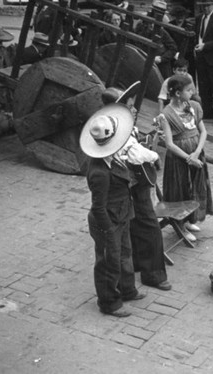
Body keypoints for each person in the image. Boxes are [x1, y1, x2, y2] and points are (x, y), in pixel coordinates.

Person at [101, 83, 172, 291]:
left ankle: (140, 264)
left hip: (128, 180)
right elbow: (134, 153)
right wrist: (154, 154)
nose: (134, 109)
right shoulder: (115, 128)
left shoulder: (118, 124)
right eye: (130, 106)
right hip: (129, 180)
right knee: (149, 225)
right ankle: (154, 274)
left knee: (136, 223)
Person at [80, 103, 146, 318]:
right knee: (108, 262)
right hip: (107, 221)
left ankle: (128, 289)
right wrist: (108, 231)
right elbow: (98, 207)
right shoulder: (99, 172)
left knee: (126, 255)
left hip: (122, 213)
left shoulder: (111, 158)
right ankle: (108, 302)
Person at [157, 75, 213, 242]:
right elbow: (169, 144)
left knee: (195, 187)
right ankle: (179, 225)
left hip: (196, 155)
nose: (192, 93)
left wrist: (196, 153)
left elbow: (203, 131)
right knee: (180, 189)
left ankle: (190, 219)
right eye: (188, 90)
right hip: (178, 160)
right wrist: (189, 158)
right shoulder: (166, 114)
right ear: (176, 93)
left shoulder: (194, 107)